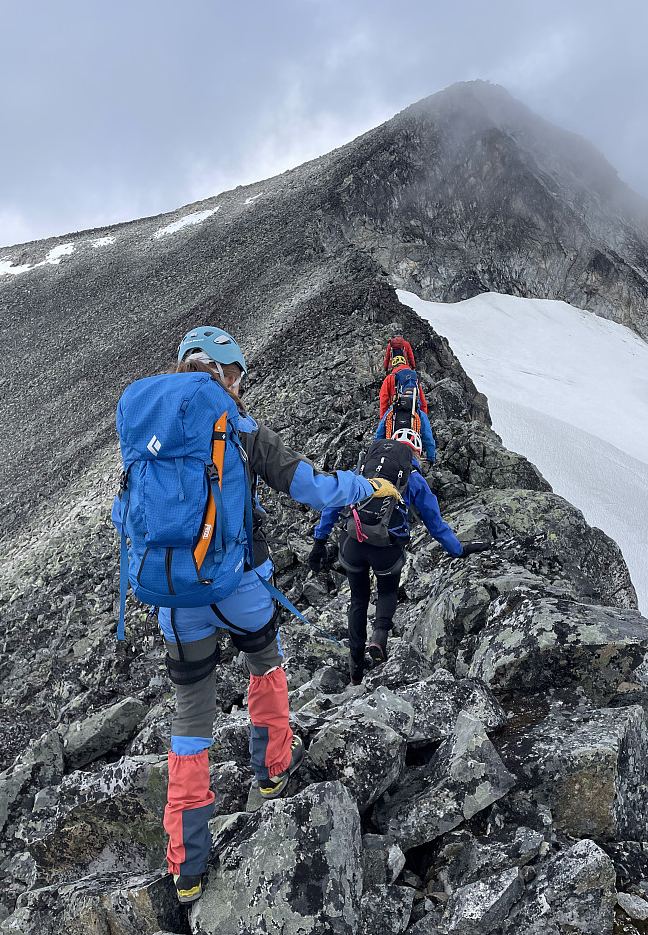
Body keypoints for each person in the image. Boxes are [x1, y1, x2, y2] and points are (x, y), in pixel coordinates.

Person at [115, 326, 401, 905]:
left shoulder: (151, 419)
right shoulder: (238, 426)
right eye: (238, 375)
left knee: (190, 714)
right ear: (224, 372)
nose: (240, 386)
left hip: (174, 594)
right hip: (236, 584)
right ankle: (271, 773)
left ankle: (187, 864)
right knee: (265, 663)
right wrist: (363, 486)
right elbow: (310, 487)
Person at [308, 428, 492, 685]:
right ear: (414, 453)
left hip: (353, 544)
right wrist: (458, 550)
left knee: (358, 601)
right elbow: (435, 524)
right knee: (386, 592)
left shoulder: (363, 470)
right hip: (387, 550)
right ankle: (379, 638)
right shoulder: (414, 480)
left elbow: (332, 502)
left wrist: (319, 541)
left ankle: (356, 670)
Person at [379, 337, 429, 418]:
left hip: (396, 411)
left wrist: (383, 419)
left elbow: (383, 399)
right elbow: (422, 401)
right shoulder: (413, 377)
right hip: (412, 412)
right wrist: (423, 419)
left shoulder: (389, 378)